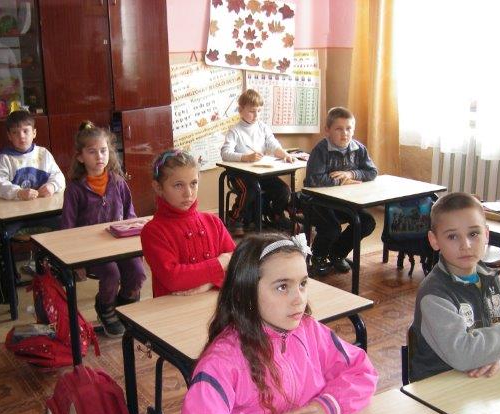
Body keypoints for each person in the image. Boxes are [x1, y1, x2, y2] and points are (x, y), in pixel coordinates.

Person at [172, 233, 378, 414]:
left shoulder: (309, 330)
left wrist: (318, 410)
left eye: (302, 284)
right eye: (282, 287)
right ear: (245, 293)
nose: (299, 299)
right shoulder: (222, 361)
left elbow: (362, 372)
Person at [409, 192, 500, 382]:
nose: (466, 245)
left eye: (473, 234)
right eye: (452, 236)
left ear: (486, 235)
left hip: (484, 381)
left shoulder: (491, 280)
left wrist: (498, 355)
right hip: (441, 386)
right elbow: (462, 355)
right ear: (434, 240)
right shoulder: (434, 295)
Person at [61, 121, 146, 336]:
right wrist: (75, 262)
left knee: (137, 272)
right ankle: (105, 307)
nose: (99, 156)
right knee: (111, 273)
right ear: (80, 157)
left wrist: (137, 248)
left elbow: (130, 216)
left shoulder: (118, 182)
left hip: (119, 245)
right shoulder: (75, 189)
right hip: (90, 250)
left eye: (103, 150)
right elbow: (67, 227)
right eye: (92, 152)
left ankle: (124, 305)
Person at [141, 149, 236, 298]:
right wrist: (221, 263)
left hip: (215, 302)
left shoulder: (213, 222)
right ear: (158, 187)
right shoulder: (153, 231)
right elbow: (174, 278)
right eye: (178, 185)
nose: (188, 193)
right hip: (173, 307)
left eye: (193, 183)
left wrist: (210, 283)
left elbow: (239, 265)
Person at [303, 107, 378, 275]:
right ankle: (318, 256)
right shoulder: (321, 150)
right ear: (327, 130)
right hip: (317, 202)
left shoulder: (359, 149)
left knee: (367, 222)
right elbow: (314, 179)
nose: (345, 133)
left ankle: (337, 253)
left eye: (349, 128)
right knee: (332, 228)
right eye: (339, 129)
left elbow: (372, 172)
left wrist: (351, 174)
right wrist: (342, 182)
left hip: (344, 201)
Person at [221, 89, 294, 236]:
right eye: (252, 111)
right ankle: (235, 219)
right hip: (240, 175)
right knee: (251, 190)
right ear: (241, 110)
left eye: (259, 111)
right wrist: (245, 157)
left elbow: (273, 145)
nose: (256, 115)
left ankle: (275, 215)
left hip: (261, 173)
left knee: (283, 189)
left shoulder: (262, 127)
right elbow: (225, 153)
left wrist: (285, 154)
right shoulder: (235, 131)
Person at [0, 110, 65, 201]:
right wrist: (18, 193)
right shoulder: (4, 159)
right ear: (9, 136)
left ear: (34, 133)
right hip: (17, 206)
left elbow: (59, 176)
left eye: (25, 131)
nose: (21, 136)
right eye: (15, 132)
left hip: (44, 203)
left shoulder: (44, 153)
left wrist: (52, 186)